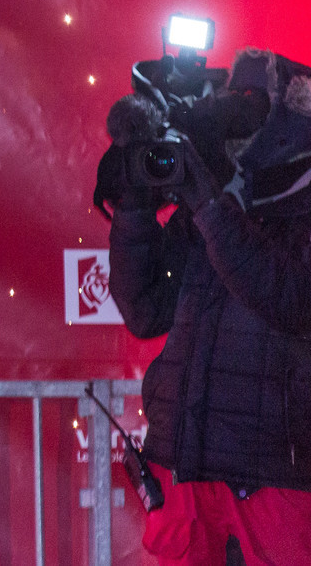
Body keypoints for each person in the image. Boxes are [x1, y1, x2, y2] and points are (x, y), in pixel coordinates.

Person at [104, 49, 311, 566]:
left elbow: (288, 299)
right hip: (186, 467)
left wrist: (210, 206)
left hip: (274, 475)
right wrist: (134, 209)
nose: (231, 129)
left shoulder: (290, 207)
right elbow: (146, 309)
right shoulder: (215, 197)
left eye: (248, 112)